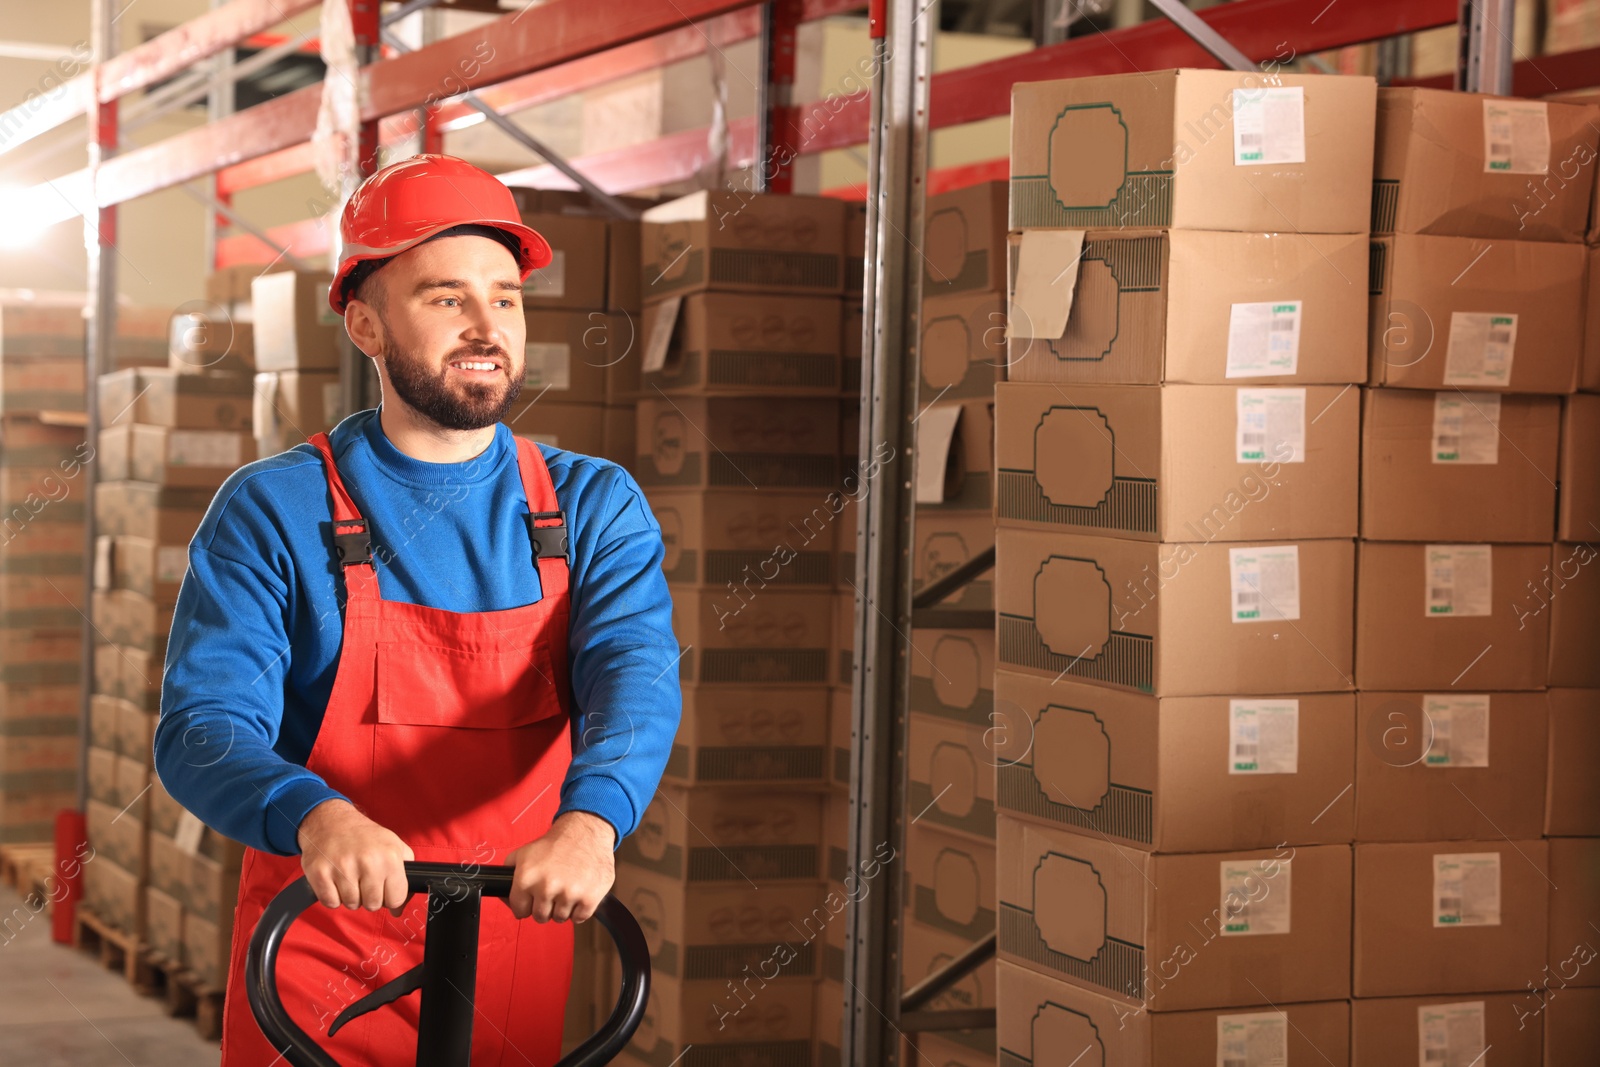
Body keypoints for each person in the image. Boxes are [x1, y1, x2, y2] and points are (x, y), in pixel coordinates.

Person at [152, 153, 679, 1067]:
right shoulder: (276, 508)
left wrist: (592, 823)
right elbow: (202, 727)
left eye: (506, 298)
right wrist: (312, 812)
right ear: (364, 323)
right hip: (318, 948)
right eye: (446, 297)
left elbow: (634, 675)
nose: (487, 326)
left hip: (511, 941)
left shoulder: (592, 505)